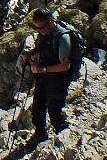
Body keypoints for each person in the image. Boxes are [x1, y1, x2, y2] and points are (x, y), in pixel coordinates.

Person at [21, 8, 72, 142]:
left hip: (59, 78)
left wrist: (42, 69)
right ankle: (40, 133)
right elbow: (41, 46)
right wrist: (30, 53)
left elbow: (65, 65)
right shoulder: (45, 33)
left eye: (41, 27)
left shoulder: (63, 37)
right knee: (38, 106)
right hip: (45, 76)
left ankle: (64, 139)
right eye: (37, 28)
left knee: (55, 111)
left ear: (50, 23)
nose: (39, 30)